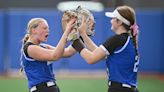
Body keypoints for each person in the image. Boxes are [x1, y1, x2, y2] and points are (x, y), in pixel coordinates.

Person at [72, 5, 140, 92]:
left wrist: (75, 40)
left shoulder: (117, 39)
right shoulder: (128, 39)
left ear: (119, 22)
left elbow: (91, 59)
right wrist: (83, 34)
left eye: (113, 18)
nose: (111, 21)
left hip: (119, 89)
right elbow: (99, 53)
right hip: (129, 88)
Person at [20, 17, 77, 92]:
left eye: (48, 28)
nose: (48, 31)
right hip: (42, 89)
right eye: (44, 28)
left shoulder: (44, 46)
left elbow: (68, 52)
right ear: (33, 30)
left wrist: (81, 34)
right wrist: (67, 31)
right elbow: (55, 56)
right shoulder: (30, 48)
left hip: (50, 88)